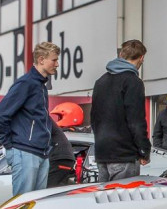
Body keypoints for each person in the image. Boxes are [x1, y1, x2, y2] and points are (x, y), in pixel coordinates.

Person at [0, 41, 60, 198]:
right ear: (41, 59)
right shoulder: (26, 83)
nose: (57, 64)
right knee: (21, 206)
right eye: (54, 60)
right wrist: (9, 146)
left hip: (40, 152)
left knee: (36, 206)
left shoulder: (41, 86)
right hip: (25, 152)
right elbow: (0, 114)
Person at [90, 40, 152, 180]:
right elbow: (136, 120)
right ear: (141, 58)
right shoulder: (133, 82)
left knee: (105, 199)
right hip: (124, 153)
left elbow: (94, 118)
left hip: (102, 153)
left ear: (121, 55)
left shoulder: (100, 82)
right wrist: (144, 149)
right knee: (123, 198)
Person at [47, 102, 84, 187]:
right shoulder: (61, 133)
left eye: (60, 117)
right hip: (63, 160)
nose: (58, 119)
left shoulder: (61, 134)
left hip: (59, 160)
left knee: (48, 191)